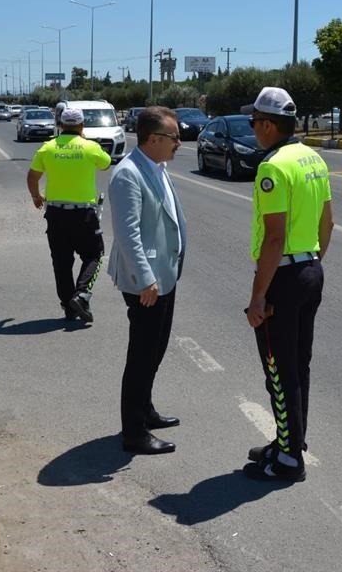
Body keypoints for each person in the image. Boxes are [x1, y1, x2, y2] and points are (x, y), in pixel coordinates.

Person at [241, 87, 334, 483]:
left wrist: (258, 296)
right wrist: (308, 265)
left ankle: (289, 460)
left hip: (284, 275)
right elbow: (327, 223)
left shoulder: (273, 167)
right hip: (311, 269)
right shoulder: (313, 158)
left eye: (253, 123)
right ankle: (290, 440)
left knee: (279, 369)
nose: (252, 130)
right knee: (299, 365)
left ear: (267, 124)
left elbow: (274, 239)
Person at [106, 106, 188, 455]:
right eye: (173, 137)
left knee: (155, 349)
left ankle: (146, 409)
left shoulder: (157, 166)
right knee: (141, 355)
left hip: (164, 276)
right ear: (153, 139)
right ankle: (134, 432)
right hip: (147, 283)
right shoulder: (128, 174)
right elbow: (128, 235)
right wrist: (145, 279)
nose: (179, 143)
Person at [27, 106, 112, 323]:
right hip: (83, 214)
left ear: (60, 125)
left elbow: (32, 177)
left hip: (55, 213)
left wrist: (37, 197)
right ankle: (82, 295)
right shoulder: (90, 147)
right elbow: (106, 164)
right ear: (82, 125)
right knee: (95, 254)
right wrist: (85, 142)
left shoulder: (47, 148)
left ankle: (68, 305)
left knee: (62, 262)